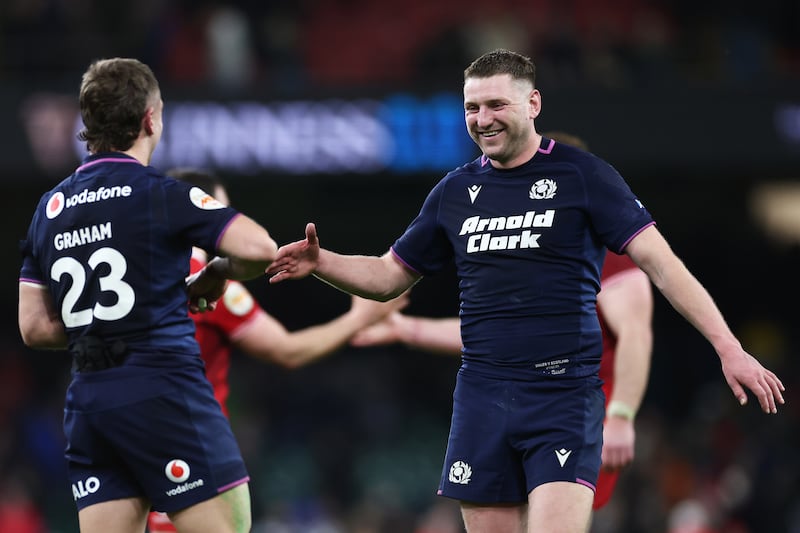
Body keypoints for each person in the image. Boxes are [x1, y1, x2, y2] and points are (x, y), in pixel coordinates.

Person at [265, 49, 784, 533]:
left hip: (563, 396)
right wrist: (321, 262)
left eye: (496, 104)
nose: (482, 118)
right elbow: (386, 277)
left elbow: (666, 268)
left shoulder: (585, 177)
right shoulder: (453, 192)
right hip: (482, 397)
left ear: (532, 103)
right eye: (472, 107)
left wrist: (728, 347)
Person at [18, 58, 278, 533]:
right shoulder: (161, 193)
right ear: (150, 119)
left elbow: (33, 327)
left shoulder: (48, 209)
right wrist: (217, 271)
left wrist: (102, 326)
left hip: (90, 404)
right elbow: (261, 249)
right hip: (162, 391)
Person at [350, 131, 654, 511]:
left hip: (576, 413)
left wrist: (622, 414)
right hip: (506, 407)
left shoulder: (613, 259)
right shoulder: (527, 252)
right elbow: (491, 336)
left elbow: (635, 337)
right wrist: (405, 329)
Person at [147, 168, 409, 532]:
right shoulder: (206, 280)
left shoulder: (138, 272)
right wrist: (358, 319)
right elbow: (288, 351)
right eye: (221, 210)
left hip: (124, 430)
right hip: (189, 446)